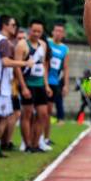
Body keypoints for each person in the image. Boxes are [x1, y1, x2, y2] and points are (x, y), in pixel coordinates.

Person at [0, 15, 33, 158]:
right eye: (12, 25)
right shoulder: (3, 41)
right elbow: (5, 62)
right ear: (4, 25)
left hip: (1, 85)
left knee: (5, 117)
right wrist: (25, 63)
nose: (15, 27)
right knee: (3, 118)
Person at [16, 20, 53, 152]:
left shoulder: (43, 45)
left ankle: (35, 144)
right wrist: (23, 87)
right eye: (34, 31)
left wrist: (46, 85)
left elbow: (44, 66)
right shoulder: (22, 45)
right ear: (29, 30)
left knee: (43, 114)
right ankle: (27, 145)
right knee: (27, 114)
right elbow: (17, 67)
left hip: (40, 84)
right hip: (27, 84)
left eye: (39, 31)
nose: (36, 34)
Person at [47, 22, 70, 127]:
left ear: (63, 34)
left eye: (61, 31)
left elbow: (66, 67)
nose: (58, 33)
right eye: (56, 30)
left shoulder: (65, 49)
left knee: (49, 110)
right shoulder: (47, 42)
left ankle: (60, 119)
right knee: (41, 110)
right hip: (42, 80)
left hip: (54, 81)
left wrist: (66, 85)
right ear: (52, 32)